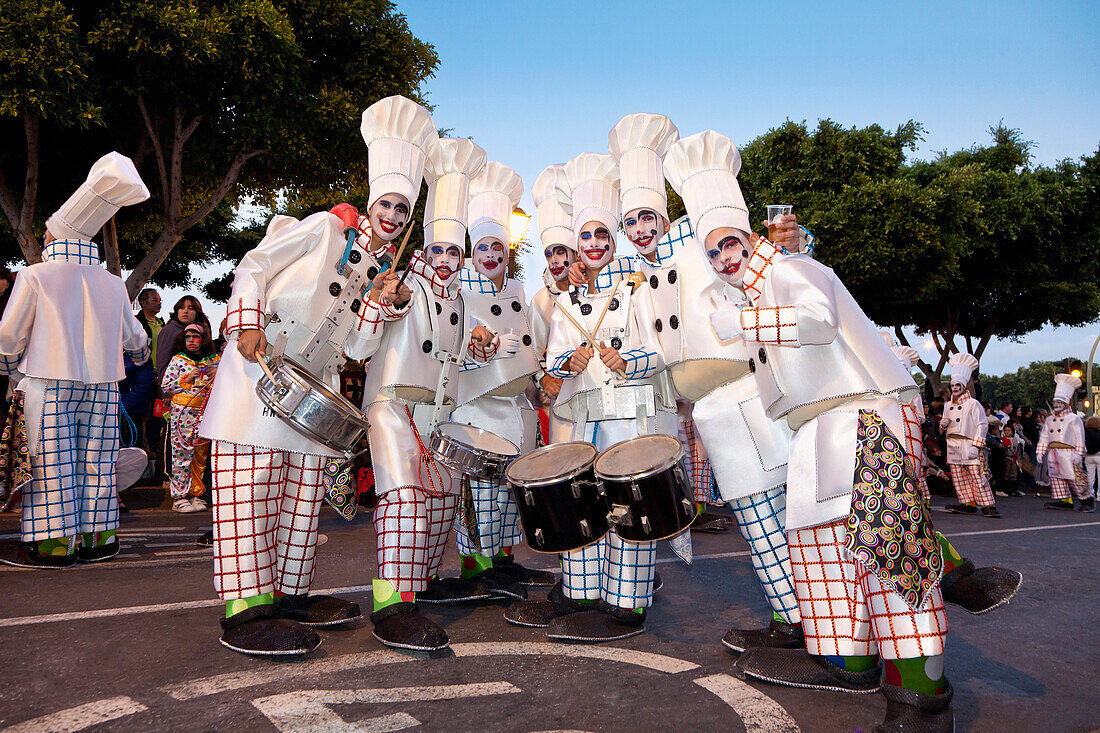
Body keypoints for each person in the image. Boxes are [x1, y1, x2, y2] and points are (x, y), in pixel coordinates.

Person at [670, 130, 954, 731]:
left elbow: (818, 323)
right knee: (817, 545)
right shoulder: (755, 289)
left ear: (752, 236)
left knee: (887, 548)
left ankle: (922, 693)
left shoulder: (793, 269)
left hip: (864, 414)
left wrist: (743, 317)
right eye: (712, 252)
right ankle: (846, 657)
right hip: (816, 424)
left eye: (731, 244)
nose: (725, 259)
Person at [197, 96, 438, 656]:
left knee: (301, 497)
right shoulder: (320, 229)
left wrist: (380, 304)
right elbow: (253, 265)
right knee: (248, 491)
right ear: (372, 199)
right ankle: (247, 610)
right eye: (389, 204)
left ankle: (290, 595)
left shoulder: (379, 270)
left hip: (315, 395)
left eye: (404, 210)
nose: (395, 216)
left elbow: (356, 347)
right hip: (258, 373)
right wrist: (247, 318)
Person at [357, 133, 514, 652]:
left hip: (438, 417)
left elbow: (462, 361)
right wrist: (384, 301)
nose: (445, 259)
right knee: (404, 500)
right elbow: (367, 335)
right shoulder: (400, 281)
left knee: (442, 502)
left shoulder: (464, 301)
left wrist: (483, 349)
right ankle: (392, 604)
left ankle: (420, 584)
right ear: (422, 249)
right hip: (394, 408)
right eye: (437, 249)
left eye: (454, 250)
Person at [521, 152, 673, 643]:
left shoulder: (638, 287)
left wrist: (629, 362)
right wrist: (569, 364)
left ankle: (628, 605)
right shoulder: (565, 300)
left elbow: (662, 347)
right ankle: (583, 593)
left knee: (629, 501)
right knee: (584, 502)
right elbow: (554, 360)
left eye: (601, 235)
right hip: (584, 422)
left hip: (629, 420)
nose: (592, 244)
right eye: (584, 236)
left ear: (613, 241)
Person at [0, 152, 151, 568]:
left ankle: (53, 546)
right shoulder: (111, 282)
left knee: (52, 465)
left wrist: (12, 373)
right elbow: (137, 343)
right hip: (103, 385)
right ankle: (98, 539)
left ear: (54, 237)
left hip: (48, 382)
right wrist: (130, 357)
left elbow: (7, 339)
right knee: (97, 462)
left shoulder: (34, 276)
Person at [441, 158, 554, 596]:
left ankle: (505, 562)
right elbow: (455, 349)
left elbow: (529, 345)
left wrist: (536, 381)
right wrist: (483, 349)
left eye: (498, 249)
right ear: (472, 252)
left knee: (507, 498)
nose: (490, 256)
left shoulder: (518, 291)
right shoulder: (459, 290)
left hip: (517, 405)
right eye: (483, 248)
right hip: (479, 407)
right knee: (480, 496)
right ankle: (478, 569)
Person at [527, 164, 579, 445]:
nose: (556, 261)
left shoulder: (595, 290)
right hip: (558, 403)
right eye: (550, 254)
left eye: (562, 252)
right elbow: (531, 353)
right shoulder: (540, 301)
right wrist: (543, 380)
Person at [161, 323, 219, 512]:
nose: (191, 341)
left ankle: (196, 493)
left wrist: (217, 373)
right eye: (188, 337)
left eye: (196, 337)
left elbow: (225, 384)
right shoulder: (178, 360)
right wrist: (185, 379)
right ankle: (179, 496)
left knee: (200, 456)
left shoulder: (214, 360)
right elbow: (165, 387)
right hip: (182, 414)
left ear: (203, 339)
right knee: (181, 455)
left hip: (204, 412)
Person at [941, 353, 1001, 518]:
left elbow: (982, 424)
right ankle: (967, 503)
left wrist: (977, 445)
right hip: (953, 445)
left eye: (957, 385)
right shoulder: (947, 405)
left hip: (969, 444)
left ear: (964, 385)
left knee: (977, 476)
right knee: (959, 477)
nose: (954, 388)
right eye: (952, 385)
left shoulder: (973, 404)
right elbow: (943, 425)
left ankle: (988, 505)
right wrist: (943, 424)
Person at [1039, 374, 1092, 512]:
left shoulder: (1073, 418)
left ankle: (1087, 499)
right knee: (1056, 477)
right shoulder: (1049, 419)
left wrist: (1079, 453)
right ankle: (1064, 500)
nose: (1056, 404)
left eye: (1059, 402)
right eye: (1055, 402)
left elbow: (1080, 437)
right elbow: (1044, 436)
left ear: (1067, 403)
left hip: (1069, 452)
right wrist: (1040, 450)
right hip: (1054, 452)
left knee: (1075, 477)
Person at [1085, 416, 1100, 499]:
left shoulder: (1085, 432)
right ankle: (1099, 495)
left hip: (1088, 456)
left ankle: (1090, 494)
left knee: (1090, 476)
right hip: (1099, 455)